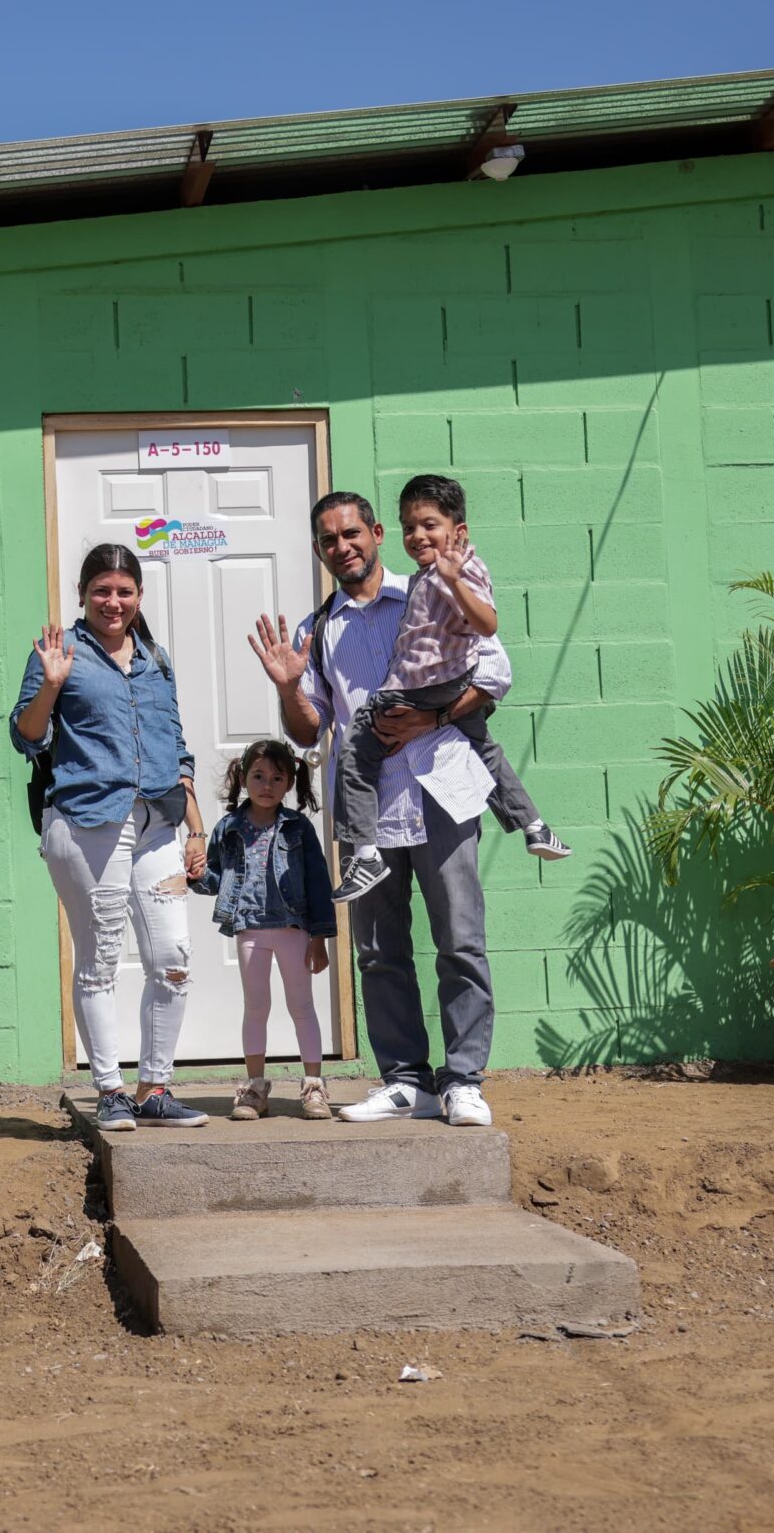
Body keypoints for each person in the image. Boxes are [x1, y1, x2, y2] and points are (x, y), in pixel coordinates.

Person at [245, 491, 497, 1128]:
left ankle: (463, 1080)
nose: (343, 547)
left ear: (377, 533)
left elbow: (492, 676)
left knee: (459, 940)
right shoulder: (317, 629)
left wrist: (431, 716)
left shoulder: (435, 589)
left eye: (352, 533)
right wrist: (285, 687)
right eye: (329, 540)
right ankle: (406, 1081)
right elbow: (308, 731)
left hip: (441, 790)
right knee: (380, 952)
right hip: (367, 814)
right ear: (319, 550)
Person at [11, 543, 211, 1134]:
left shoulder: (155, 656)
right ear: (83, 594)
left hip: (158, 823)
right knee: (98, 960)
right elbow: (27, 736)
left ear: (139, 596)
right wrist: (51, 684)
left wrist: (196, 826)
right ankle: (110, 1090)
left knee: (173, 957)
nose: (113, 601)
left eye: (124, 591)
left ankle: (155, 1088)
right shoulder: (60, 652)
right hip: (86, 820)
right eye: (102, 590)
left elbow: (177, 748)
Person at [328, 474, 568, 903]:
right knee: (486, 749)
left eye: (429, 525)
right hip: (440, 687)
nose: (418, 535)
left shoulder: (454, 571)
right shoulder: (419, 578)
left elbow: (489, 631)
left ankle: (364, 854)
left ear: (459, 531)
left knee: (354, 748)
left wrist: (454, 580)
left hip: (422, 689)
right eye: (410, 527)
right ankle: (534, 826)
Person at [190, 739, 338, 1121]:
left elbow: (319, 883)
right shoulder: (230, 828)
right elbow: (218, 878)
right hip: (250, 929)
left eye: (276, 777)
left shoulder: (298, 828)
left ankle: (314, 1087)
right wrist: (193, 875)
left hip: (293, 929)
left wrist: (320, 937)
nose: (266, 785)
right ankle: (255, 1089)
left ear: (289, 782)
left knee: (302, 1006)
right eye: (258, 776)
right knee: (256, 1007)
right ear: (243, 777)